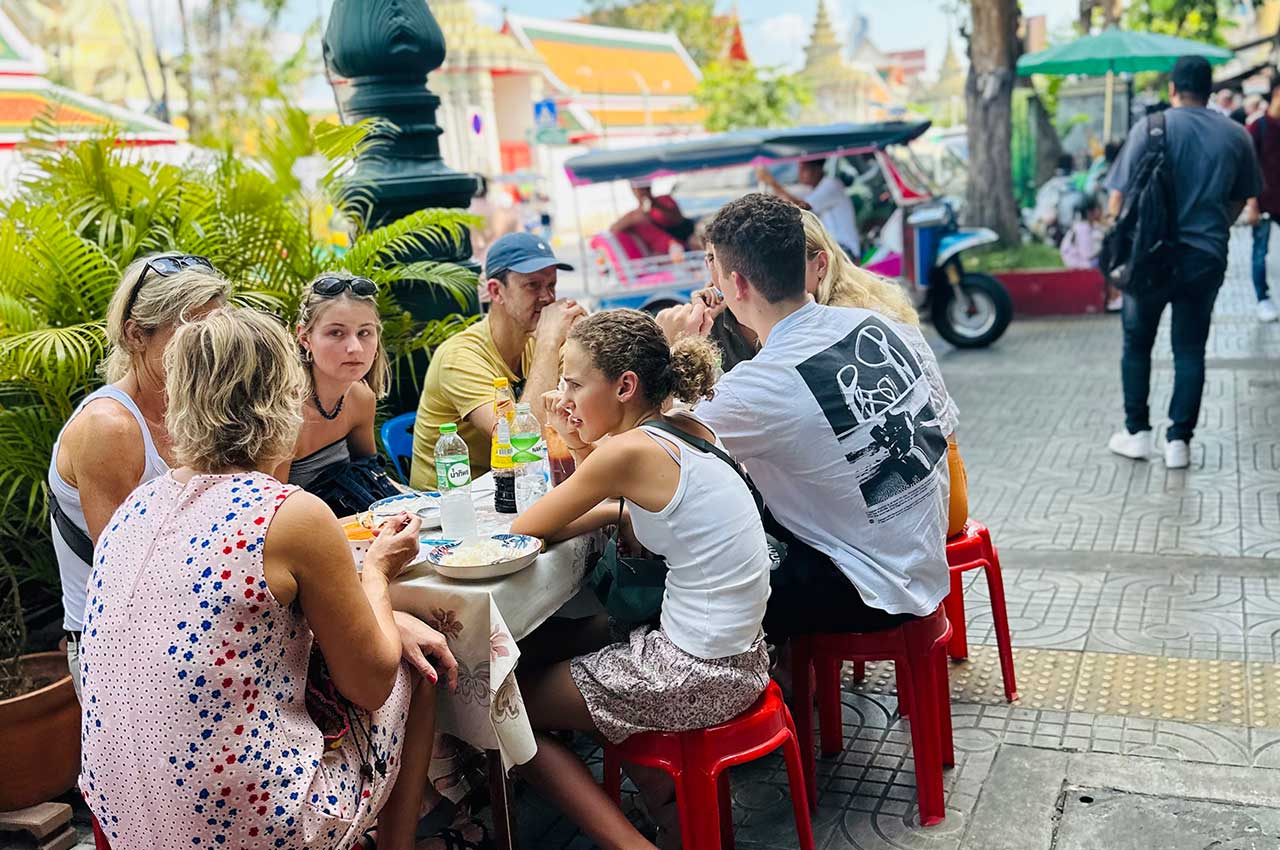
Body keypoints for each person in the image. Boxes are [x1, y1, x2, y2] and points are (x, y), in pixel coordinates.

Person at [79, 306, 457, 850]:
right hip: (249, 827)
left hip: (124, 816)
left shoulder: (137, 508)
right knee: (412, 665)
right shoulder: (288, 512)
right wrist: (377, 573)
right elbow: (370, 685)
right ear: (286, 401)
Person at [508, 309, 771, 850]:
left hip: (699, 672)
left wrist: (565, 433)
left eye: (575, 384)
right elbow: (618, 504)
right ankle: (667, 804)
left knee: (508, 712)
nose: (565, 397)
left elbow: (526, 525)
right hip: (742, 655)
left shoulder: (630, 451)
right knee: (537, 648)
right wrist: (606, 506)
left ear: (625, 385)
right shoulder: (684, 425)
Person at [656, 192, 954, 642]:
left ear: (735, 285)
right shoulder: (877, 325)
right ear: (807, 265)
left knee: (689, 573)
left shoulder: (760, 386)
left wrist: (673, 349)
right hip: (923, 560)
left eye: (712, 266)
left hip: (870, 591)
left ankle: (760, 692)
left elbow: (654, 445)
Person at [48, 254, 231, 699]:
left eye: (217, 333)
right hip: (122, 653)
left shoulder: (196, 409)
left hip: (192, 631)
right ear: (136, 335)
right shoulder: (109, 428)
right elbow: (131, 578)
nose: (212, 350)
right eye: (193, 334)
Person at [1105, 55, 1262, 469]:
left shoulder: (1151, 128)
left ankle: (1137, 432)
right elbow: (1241, 199)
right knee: (1190, 349)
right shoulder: (1235, 135)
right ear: (1210, 90)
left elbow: (1118, 197)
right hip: (1205, 258)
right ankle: (1180, 442)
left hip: (1148, 259)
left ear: (1173, 88)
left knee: (1137, 343)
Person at [411, 233, 585, 486]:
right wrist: (549, 341)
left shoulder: (540, 341)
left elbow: (586, 417)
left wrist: (585, 344)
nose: (547, 297)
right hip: (452, 504)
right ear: (496, 291)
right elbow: (518, 445)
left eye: (551, 285)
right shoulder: (460, 356)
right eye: (532, 285)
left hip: (520, 487)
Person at [276, 274, 400, 514]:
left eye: (365, 333)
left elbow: (371, 474)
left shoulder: (361, 397)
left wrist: (422, 501)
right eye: (336, 333)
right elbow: (273, 513)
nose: (355, 348)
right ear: (305, 338)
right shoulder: (286, 414)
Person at [757, 158, 861, 260]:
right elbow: (785, 198)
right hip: (831, 249)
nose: (800, 172)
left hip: (843, 250)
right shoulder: (813, 189)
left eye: (803, 168)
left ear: (816, 169)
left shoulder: (831, 184)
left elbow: (802, 207)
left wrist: (772, 182)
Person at [1246, 80, 1280, 324]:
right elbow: (1247, 166)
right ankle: (1262, 298)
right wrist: (1252, 203)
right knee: (1260, 252)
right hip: (1264, 201)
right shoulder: (1258, 127)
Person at [609, 180, 697, 256]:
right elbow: (613, 229)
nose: (643, 190)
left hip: (686, 240)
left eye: (645, 187)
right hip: (666, 253)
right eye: (639, 188)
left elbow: (678, 219)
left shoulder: (664, 200)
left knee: (695, 241)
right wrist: (634, 219)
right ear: (633, 190)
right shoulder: (633, 216)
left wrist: (654, 204)